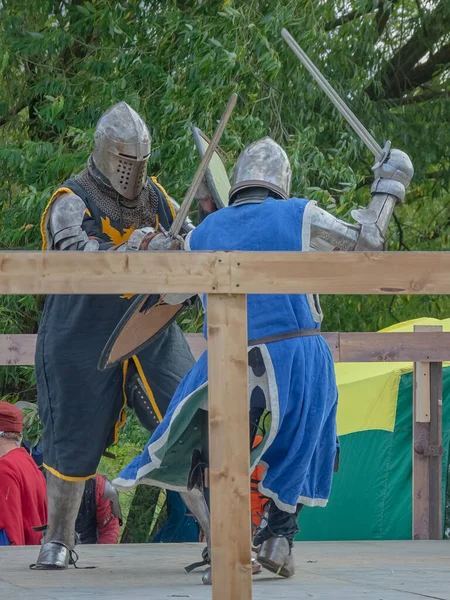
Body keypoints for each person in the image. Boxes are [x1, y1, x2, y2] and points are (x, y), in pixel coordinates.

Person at [113, 137, 413, 579]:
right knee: (307, 436)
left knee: (213, 447)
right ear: (281, 183)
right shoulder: (300, 214)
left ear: (235, 184)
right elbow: (368, 245)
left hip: (229, 356)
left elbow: (171, 295)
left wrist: (163, 250)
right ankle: (277, 535)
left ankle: (225, 548)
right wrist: (390, 183)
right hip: (296, 353)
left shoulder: (204, 233)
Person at [35, 101, 197, 569]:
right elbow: (72, 255)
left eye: (139, 161)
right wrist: (136, 246)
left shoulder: (159, 198)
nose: (134, 171)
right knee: (72, 431)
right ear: (107, 154)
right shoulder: (72, 198)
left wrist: (181, 245)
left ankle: (222, 535)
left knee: (187, 417)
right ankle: (59, 539)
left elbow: (196, 243)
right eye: (126, 161)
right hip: (81, 330)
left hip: (148, 327)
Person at [0, 402, 47, 546]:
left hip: (11, 560)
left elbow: (8, 530)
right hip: (32, 555)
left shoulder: (4, 469)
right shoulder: (27, 461)